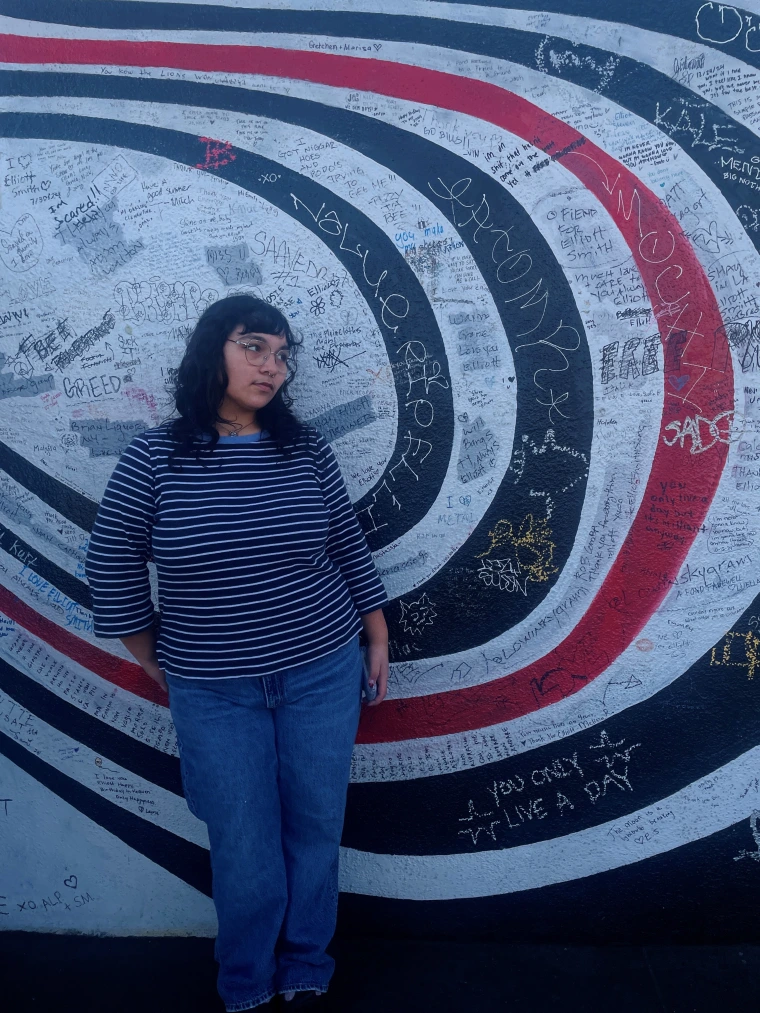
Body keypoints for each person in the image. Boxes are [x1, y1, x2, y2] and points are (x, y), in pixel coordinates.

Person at [85, 294, 389, 1011]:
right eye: (254, 346)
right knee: (244, 844)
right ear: (211, 351)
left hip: (322, 670)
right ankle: (246, 981)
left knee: (316, 827)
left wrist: (375, 633)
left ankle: (307, 962)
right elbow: (111, 561)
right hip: (213, 692)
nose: (272, 367)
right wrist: (153, 655)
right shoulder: (155, 455)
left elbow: (346, 544)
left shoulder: (304, 448)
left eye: (282, 354)